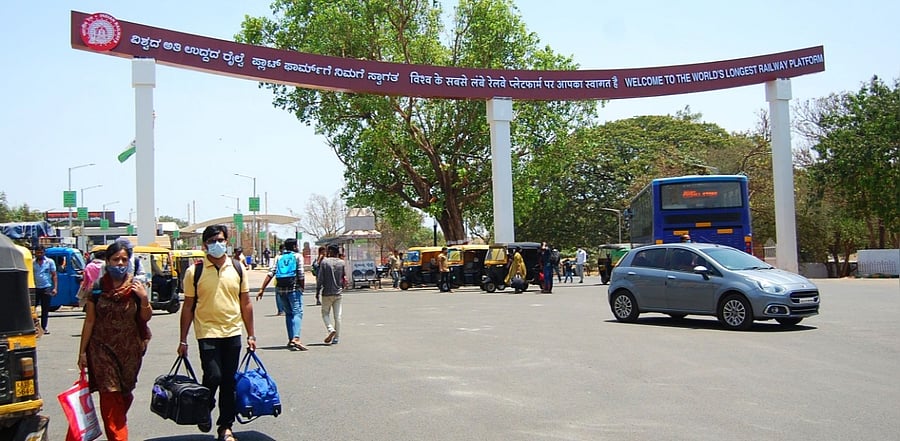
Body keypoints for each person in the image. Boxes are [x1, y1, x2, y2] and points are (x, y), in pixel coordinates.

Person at [178, 225, 256, 441]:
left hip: (232, 331)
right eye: (212, 241)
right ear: (205, 245)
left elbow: (246, 303)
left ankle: (225, 427)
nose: (217, 244)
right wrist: (183, 339)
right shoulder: (195, 272)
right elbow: (188, 307)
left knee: (229, 381)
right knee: (213, 376)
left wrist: (251, 334)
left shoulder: (238, 268)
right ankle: (205, 408)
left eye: (220, 240)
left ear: (227, 242)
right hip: (207, 332)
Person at [74, 239, 151, 441]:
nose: (120, 263)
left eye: (124, 260)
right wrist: (82, 352)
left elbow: (145, 317)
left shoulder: (135, 287)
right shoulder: (98, 289)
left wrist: (143, 299)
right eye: (116, 259)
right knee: (110, 395)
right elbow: (89, 321)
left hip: (130, 351)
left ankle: (117, 427)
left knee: (124, 395)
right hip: (101, 350)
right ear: (107, 261)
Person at [256, 238, 307, 351]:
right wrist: (302, 287)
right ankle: (296, 338)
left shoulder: (278, 257)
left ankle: (291, 339)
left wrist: (262, 289)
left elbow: (271, 273)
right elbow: (301, 273)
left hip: (281, 289)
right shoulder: (297, 256)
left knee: (288, 314)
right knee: (298, 312)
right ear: (294, 247)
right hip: (293, 288)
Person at [319, 244, 346, 345]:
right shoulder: (342, 263)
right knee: (337, 316)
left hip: (327, 292)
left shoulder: (324, 262)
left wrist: (317, 292)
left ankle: (330, 329)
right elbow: (343, 277)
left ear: (329, 251)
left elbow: (320, 278)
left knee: (325, 313)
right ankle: (336, 338)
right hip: (338, 293)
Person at [32, 246, 57, 335]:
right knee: (33, 308)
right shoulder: (32, 262)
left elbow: (54, 275)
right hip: (35, 287)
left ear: (44, 253)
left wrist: (55, 288)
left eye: (41, 252)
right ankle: (34, 327)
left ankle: (44, 327)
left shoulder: (49, 262)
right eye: (37, 252)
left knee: (45, 309)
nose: (39, 254)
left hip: (46, 287)